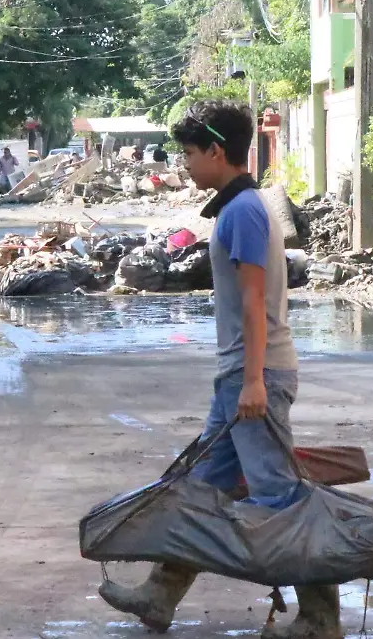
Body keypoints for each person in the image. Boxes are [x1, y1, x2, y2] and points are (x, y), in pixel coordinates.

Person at [97, 101, 340, 639]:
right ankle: (159, 596)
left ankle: (322, 617)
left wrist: (253, 381)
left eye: (188, 152)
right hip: (240, 376)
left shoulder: (245, 212)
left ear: (216, 151)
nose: (183, 163)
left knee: (279, 496)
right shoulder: (237, 208)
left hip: (258, 376)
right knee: (200, 489)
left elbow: (256, 303)